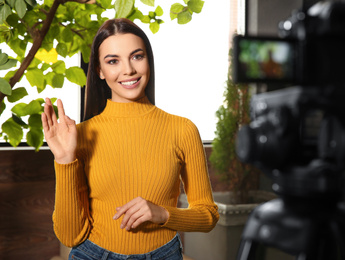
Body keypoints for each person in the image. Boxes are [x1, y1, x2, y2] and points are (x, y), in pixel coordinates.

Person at [41, 18, 219, 260]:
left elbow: (208, 215)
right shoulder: (80, 136)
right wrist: (64, 159)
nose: (128, 70)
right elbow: (70, 236)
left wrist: (164, 214)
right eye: (113, 61)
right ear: (100, 71)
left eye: (137, 56)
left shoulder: (183, 129)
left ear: (149, 60)